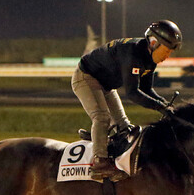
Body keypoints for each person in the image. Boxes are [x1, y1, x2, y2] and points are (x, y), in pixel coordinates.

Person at [72, 20, 182, 181]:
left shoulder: (150, 59)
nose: (167, 56)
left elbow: (146, 90)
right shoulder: (133, 53)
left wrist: (165, 104)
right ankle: (100, 164)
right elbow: (132, 93)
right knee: (102, 117)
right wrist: (160, 107)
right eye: (166, 51)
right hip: (86, 77)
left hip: (106, 84)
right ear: (153, 43)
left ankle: (106, 143)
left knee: (124, 126)